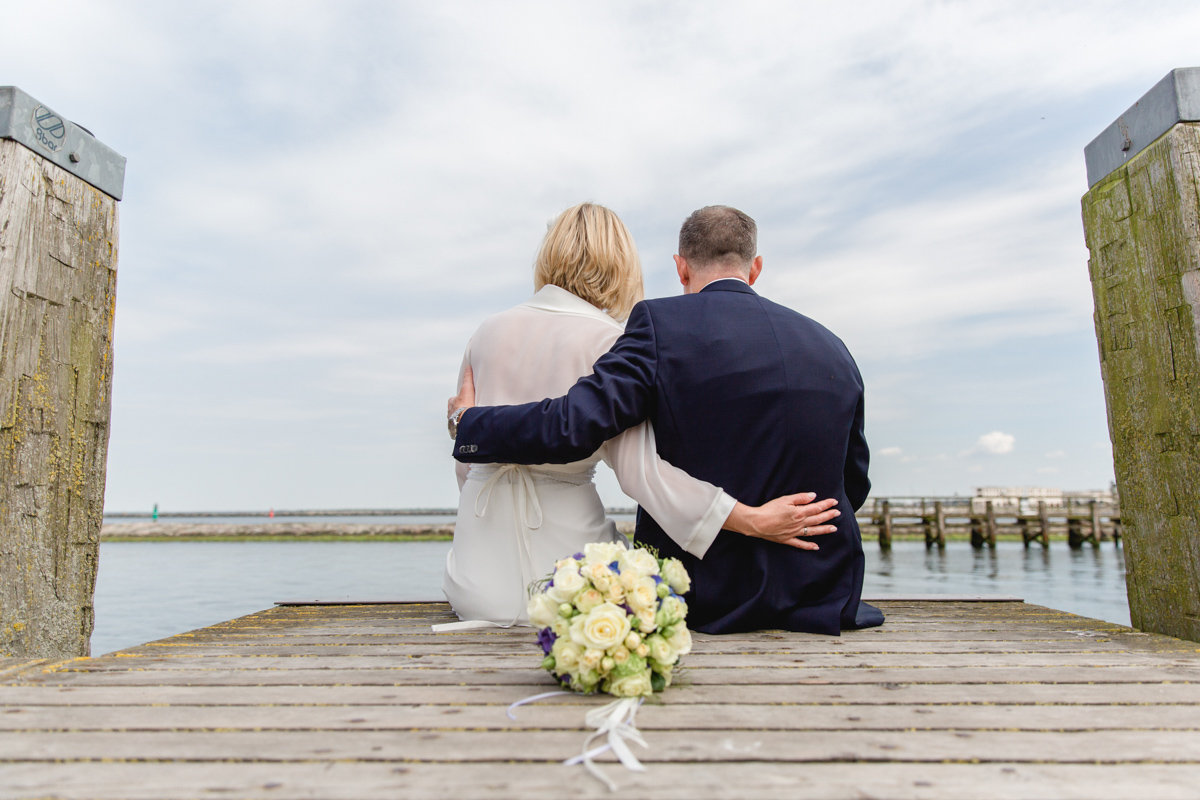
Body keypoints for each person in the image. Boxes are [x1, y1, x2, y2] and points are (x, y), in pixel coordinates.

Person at [449, 205, 883, 635]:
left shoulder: (658, 327)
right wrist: (767, 520)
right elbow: (854, 482)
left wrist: (467, 424)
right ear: (756, 267)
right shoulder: (831, 346)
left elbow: (571, 422)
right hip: (820, 590)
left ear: (681, 267)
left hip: (704, 592)